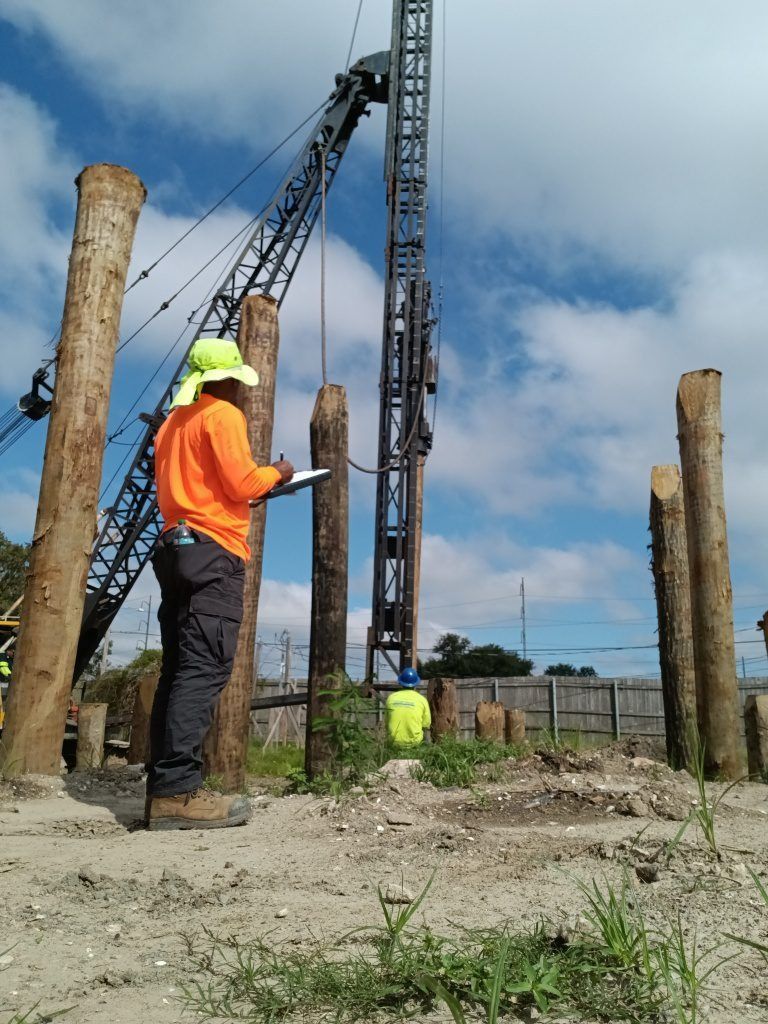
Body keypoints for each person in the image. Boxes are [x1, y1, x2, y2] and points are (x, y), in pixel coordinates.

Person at [146, 337, 293, 831]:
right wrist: (280, 472)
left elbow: (203, 489)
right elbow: (244, 483)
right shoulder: (222, 415)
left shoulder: (171, 424)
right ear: (227, 378)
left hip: (174, 546)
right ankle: (178, 793)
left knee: (178, 670)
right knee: (205, 668)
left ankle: (163, 786)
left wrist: (246, 493)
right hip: (214, 553)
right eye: (237, 380)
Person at [385, 667, 431, 746]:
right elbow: (426, 724)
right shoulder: (422, 700)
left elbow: (387, 721)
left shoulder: (391, 698)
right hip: (415, 743)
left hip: (393, 743)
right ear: (416, 683)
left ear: (400, 682)